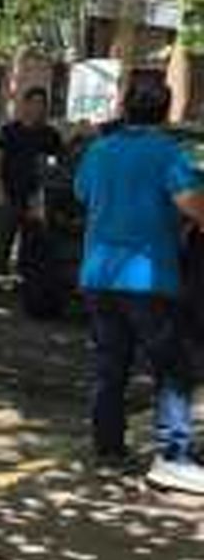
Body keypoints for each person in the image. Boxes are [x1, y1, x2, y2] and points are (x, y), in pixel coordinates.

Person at [74, 76, 204, 493]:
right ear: (166, 112)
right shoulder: (169, 154)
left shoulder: (100, 150)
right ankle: (173, 454)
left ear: (125, 106)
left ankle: (108, 447)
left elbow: (82, 194)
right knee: (173, 366)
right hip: (147, 275)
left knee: (110, 364)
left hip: (97, 273)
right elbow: (191, 204)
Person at [0, 86, 63, 271]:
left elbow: (54, 165)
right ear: (25, 105)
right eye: (35, 103)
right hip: (10, 192)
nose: (38, 108)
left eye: (42, 104)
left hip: (36, 197)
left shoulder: (51, 135)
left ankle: (26, 278)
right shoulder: (9, 131)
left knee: (33, 241)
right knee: (2, 239)